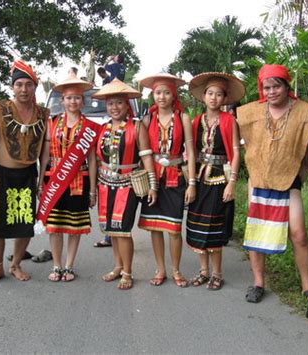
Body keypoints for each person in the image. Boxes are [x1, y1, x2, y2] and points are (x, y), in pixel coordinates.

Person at [236, 64, 308, 303]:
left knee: (299, 234)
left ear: (286, 86)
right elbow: (239, 140)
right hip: (259, 180)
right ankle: (258, 283)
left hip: (289, 181)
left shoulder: (304, 113)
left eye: (276, 86)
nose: (271, 92)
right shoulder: (250, 113)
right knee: (257, 233)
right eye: (266, 87)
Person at [0, 60, 49, 285]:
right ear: (13, 87)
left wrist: (41, 182)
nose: (23, 89)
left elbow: (44, 152)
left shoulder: (42, 114)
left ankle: (16, 264)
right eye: (19, 84)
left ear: (34, 87)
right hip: (2, 175)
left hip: (28, 174)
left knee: (25, 222)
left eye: (28, 85)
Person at [92, 78, 158, 290]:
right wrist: (93, 187)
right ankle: (117, 266)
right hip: (104, 184)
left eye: (119, 103)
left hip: (128, 185)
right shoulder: (102, 129)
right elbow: (95, 159)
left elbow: (146, 156)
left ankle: (128, 272)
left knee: (123, 229)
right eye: (111, 103)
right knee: (111, 230)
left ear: (127, 104)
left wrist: (152, 184)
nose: (115, 107)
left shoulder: (137, 127)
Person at [186, 72, 245, 290]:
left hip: (220, 179)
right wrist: (191, 182)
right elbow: (191, 152)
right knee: (197, 226)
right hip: (200, 180)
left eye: (219, 94)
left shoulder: (230, 121)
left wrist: (233, 182)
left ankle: (217, 273)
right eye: (210, 93)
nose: (213, 98)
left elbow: (236, 154)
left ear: (224, 98)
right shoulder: (195, 122)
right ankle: (203, 271)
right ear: (203, 96)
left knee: (215, 227)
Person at [138, 73, 196, 287]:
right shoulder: (147, 119)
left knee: (173, 228)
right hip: (154, 179)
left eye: (166, 93)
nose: (161, 97)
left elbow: (190, 150)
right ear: (153, 95)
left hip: (175, 177)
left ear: (174, 95)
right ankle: (160, 268)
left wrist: (192, 183)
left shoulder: (183, 118)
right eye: (158, 92)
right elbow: (142, 151)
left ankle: (176, 269)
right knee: (154, 227)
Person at [38, 75, 96, 282]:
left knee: (74, 227)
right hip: (54, 179)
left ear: (83, 101)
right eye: (69, 98)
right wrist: (39, 182)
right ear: (61, 101)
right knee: (54, 226)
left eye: (78, 98)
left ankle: (69, 266)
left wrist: (93, 190)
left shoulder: (89, 127)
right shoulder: (51, 123)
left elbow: (91, 158)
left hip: (80, 180)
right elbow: (45, 155)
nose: (73, 102)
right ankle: (57, 265)